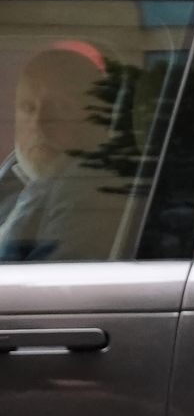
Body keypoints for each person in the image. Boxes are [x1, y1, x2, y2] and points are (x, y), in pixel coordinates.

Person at [0, 45, 126, 261]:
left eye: (61, 107)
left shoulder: (88, 185)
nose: (39, 124)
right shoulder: (16, 177)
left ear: (95, 121)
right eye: (28, 107)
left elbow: (45, 287)